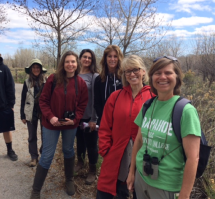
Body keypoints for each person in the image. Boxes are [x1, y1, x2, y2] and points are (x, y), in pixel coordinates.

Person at [126, 56, 201, 199]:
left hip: (167, 186)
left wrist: (184, 195)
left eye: (168, 73)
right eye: (157, 73)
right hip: (141, 178)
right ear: (151, 77)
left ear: (177, 77)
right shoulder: (148, 106)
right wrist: (131, 172)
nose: (162, 77)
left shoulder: (185, 111)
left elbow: (193, 158)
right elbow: (139, 141)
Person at [30, 51, 88, 199]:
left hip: (70, 124)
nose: (70, 64)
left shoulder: (80, 83)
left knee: (68, 150)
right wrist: (50, 117)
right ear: (63, 63)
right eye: (67, 61)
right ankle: (36, 190)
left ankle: (69, 180)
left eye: (73, 62)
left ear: (77, 64)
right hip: (51, 124)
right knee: (47, 156)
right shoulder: (53, 79)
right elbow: (43, 101)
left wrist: (75, 120)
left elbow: (82, 105)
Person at [96, 55, 153, 199]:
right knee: (108, 193)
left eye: (135, 70)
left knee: (138, 193)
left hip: (143, 158)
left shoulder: (154, 97)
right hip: (116, 156)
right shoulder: (116, 96)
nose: (132, 74)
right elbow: (104, 126)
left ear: (143, 71)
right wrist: (105, 150)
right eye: (128, 71)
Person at [74, 49, 99, 185]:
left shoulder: (94, 76)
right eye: (84, 57)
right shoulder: (75, 74)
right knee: (80, 141)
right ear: (80, 58)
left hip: (90, 116)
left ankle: (92, 170)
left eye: (89, 58)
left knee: (91, 144)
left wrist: (94, 119)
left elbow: (96, 98)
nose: (87, 60)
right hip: (77, 116)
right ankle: (80, 162)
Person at [20, 59, 47, 167]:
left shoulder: (47, 81)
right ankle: (34, 157)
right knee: (32, 136)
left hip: (44, 112)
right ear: (31, 69)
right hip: (30, 112)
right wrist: (22, 115)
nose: (36, 69)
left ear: (41, 69)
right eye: (34, 67)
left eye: (38, 67)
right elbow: (23, 99)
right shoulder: (27, 82)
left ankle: (43, 153)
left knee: (45, 135)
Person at [94, 45, 123, 125]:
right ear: (105, 58)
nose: (112, 59)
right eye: (109, 56)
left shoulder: (125, 78)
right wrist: (104, 117)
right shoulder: (99, 79)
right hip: (104, 121)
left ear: (119, 58)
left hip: (122, 121)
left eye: (115, 56)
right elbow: (97, 103)